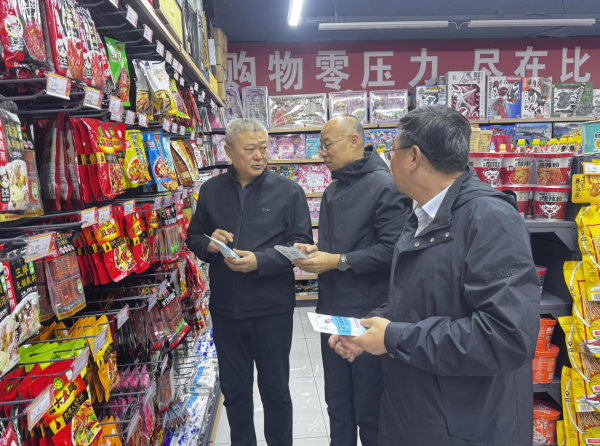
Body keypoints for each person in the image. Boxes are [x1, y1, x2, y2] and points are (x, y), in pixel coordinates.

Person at [329, 105, 540, 446]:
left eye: (391, 151)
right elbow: (420, 300)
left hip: (465, 424)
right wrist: (369, 328)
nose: (387, 161)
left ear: (413, 157)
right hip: (417, 409)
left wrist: (394, 337)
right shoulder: (423, 215)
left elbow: (506, 337)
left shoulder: (490, 220)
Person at [186, 118, 313, 446]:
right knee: (235, 392)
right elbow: (194, 236)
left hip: (272, 309)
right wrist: (210, 244)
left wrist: (260, 261)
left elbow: (300, 246)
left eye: (264, 148)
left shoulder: (289, 192)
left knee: (275, 390)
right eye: (250, 149)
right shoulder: (211, 191)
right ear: (229, 152)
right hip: (226, 311)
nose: (260, 156)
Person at [293, 115, 411, 446]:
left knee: (370, 408)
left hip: (367, 315)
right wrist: (317, 253)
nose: (322, 153)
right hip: (331, 311)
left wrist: (337, 261)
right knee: (338, 402)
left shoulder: (385, 187)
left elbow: (393, 250)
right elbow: (338, 248)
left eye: (327, 145)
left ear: (354, 141)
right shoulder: (333, 189)